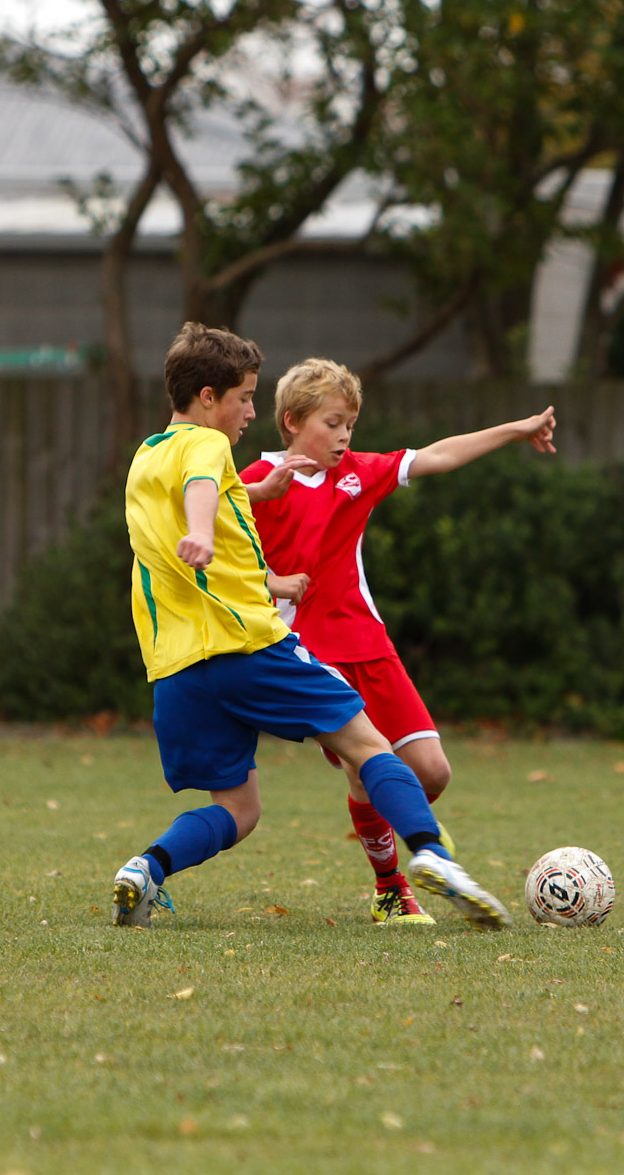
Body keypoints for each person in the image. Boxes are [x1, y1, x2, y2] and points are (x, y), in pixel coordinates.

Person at [112, 322, 512, 932]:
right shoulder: (207, 447)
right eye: (245, 397)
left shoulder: (145, 458)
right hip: (248, 649)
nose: (252, 411)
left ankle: (146, 868)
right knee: (368, 746)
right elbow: (201, 489)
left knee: (239, 809)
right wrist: (202, 528)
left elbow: (200, 522)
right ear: (208, 398)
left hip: (177, 668)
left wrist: (254, 512)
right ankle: (431, 853)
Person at [240, 358, 556, 926]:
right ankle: (391, 887)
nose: (344, 436)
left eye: (350, 425)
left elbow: (437, 455)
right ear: (292, 422)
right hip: (308, 653)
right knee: (366, 764)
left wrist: (517, 429)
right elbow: (223, 562)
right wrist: (273, 582)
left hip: (369, 642)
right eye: (333, 423)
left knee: (432, 773)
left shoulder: (357, 473)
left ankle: (407, 829)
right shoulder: (257, 483)